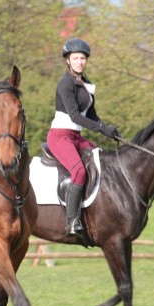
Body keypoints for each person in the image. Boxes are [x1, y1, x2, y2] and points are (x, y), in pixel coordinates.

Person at [46, 38, 119, 236]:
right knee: (79, 171)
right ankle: (72, 221)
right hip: (60, 137)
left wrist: (108, 128)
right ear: (68, 61)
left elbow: (90, 114)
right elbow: (75, 116)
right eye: (75, 58)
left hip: (76, 136)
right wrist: (101, 129)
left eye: (82, 58)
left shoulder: (85, 84)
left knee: (101, 159)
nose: (79, 61)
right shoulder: (65, 84)